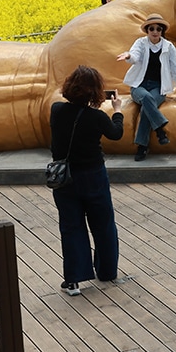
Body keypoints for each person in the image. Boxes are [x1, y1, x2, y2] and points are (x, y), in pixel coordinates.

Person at [50, 66, 125, 296]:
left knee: (72, 227)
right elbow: (116, 134)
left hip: (65, 178)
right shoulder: (98, 117)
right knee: (103, 223)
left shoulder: (56, 110)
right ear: (96, 92)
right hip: (93, 175)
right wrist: (118, 110)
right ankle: (107, 271)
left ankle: (73, 280)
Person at [116, 13, 176, 161]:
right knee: (147, 98)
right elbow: (134, 55)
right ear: (147, 31)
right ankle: (160, 129)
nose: (155, 32)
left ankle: (142, 146)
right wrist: (129, 56)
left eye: (158, 29)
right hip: (139, 86)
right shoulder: (141, 43)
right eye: (151, 29)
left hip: (159, 87)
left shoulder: (169, 47)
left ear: (162, 31)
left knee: (146, 107)